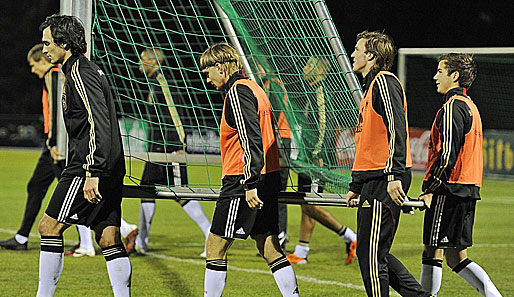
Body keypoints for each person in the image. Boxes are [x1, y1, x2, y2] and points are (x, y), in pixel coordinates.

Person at [36, 15, 131, 296]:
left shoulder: (80, 72)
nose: (44, 50)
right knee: (109, 236)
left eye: (47, 43)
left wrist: (92, 171)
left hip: (87, 168)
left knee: (49, 227)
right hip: (108, 166)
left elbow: (97, 121)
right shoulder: (86, 70)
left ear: (64, 43)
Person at [201, 43, 300, 297]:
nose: (207, 78)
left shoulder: (237, 92)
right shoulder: (254, 87)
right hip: (267, 176)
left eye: (207, 71)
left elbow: (250, 139)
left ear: (220, 67)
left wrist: (250, 182)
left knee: (215, 246)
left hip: (243, 180)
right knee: (269, 246)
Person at [346, 30, 431, 297]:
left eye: (357, 49)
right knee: (370, 252)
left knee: (372, 255)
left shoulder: (384, 82)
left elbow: (396, 127)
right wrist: (357, 184)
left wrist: (394, 173)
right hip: (374, 178)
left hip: (385, 177)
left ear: (371, 55)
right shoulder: (371, 87)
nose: (352, 54)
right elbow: (369, 141)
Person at [418, 53, 502, 296]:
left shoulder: (452, 107)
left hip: (449, 189)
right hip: (467, 189)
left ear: (454, 76)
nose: (435, 77)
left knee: (433, 250)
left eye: (440, 72)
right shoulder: (471, 106)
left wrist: (431, 190)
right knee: (456, 257)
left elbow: (447, 155)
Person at [0, 44, 95, 257]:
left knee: (72, 193)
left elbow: (55, 112)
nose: (32, 70)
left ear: (43, 61)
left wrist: (53, 142)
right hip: (55, 144)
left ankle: (106, 236)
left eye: (33, 65)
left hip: (57, 145)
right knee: (36, 186)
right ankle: (21, 237)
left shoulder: (53, 76)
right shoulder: (59, 75)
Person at [135, 48, 211, 256]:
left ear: (153, 62)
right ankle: (142, 240)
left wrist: (180, 145)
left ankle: (210, 233)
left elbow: (175, 114)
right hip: (156, 150)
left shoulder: (163, 82)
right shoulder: (152, 83)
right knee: (146, 191)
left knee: (181, 192)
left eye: (142, 60)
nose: (138, 64)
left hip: (170, 149)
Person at [286, 57, 357, 266]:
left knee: (312, 205)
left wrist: (317, 155)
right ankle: (301, 251)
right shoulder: (311, 91)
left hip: (316, 160)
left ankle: (349, 236)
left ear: (320, 71)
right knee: (306, 204)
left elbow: (325, 127)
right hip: (307, 159)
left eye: (309, 65)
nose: (304, 68)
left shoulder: (320, 93)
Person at [255, 61, 291, 250]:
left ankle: (281, 235)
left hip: (280, 140)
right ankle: (275, 234)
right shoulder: (272, 84)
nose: (255, 70)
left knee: (276, 190)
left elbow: (274, 112)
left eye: (257, 66)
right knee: (274, 190)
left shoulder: (272, 85)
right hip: (280, 139)